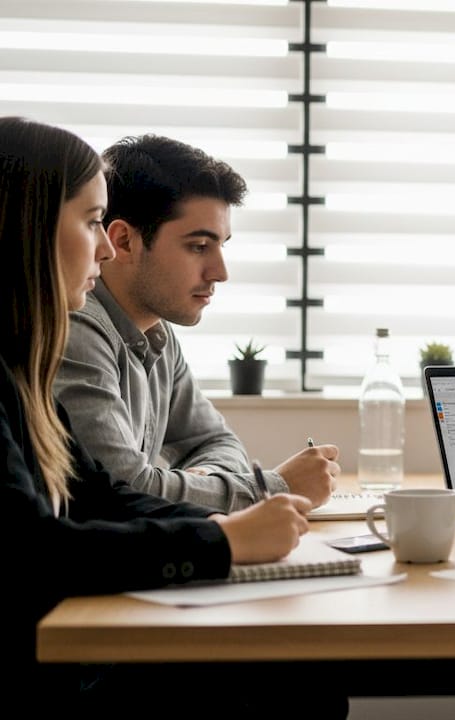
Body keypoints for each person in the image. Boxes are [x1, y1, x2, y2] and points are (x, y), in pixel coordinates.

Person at [0, 117, 347, 716]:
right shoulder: (55, 344)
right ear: (27, 228)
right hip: (44, 678)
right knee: (297, 679)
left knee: (304, 673)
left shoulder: (24, 364)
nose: (104, 247)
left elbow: (109, 492)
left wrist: (236, 525)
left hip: (67, 651)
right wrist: (230, 529)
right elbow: (33, 551)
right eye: (89, 223)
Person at [52, 134, 338, 512]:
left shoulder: (157, 333)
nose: (220, 272)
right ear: (123, 241)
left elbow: (218, 443)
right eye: (199, 247)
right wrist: (278, 486)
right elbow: (125, 492)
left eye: (222, 246)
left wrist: (192, 485)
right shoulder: (78, 329)